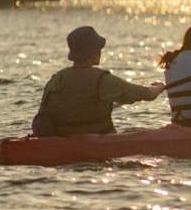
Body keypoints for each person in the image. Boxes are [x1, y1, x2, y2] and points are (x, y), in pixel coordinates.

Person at [32, 26, 163, 137]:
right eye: (98, 48)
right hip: (94, 141)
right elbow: (147, 94)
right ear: (90, 51)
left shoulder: (56, 79)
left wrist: (120, 101)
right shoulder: (101, 79)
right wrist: (159, 88)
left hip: (61, 139)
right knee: (137, 131)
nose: (100, 52)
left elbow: (77, 108)